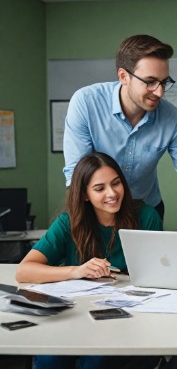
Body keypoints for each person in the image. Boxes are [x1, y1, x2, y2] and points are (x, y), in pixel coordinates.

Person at [16, 152, 162, 368]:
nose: (112, 193)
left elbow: (159, 274)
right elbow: (24, 271)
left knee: (97, 359)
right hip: (74, 313)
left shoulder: (147, 216)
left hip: (126, 315)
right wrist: (76, 271)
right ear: (85, 195)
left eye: (116, 183)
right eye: (99, 188)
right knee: (50, 358)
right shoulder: (69, 222)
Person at [63, 34, 177, 220]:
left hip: (147, 210)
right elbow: (76, 174)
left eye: (164, 82)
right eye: (150, 82)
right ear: (123, 76)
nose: (159, 92)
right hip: (98, 211)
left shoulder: (171, 118)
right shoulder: (86, 103)